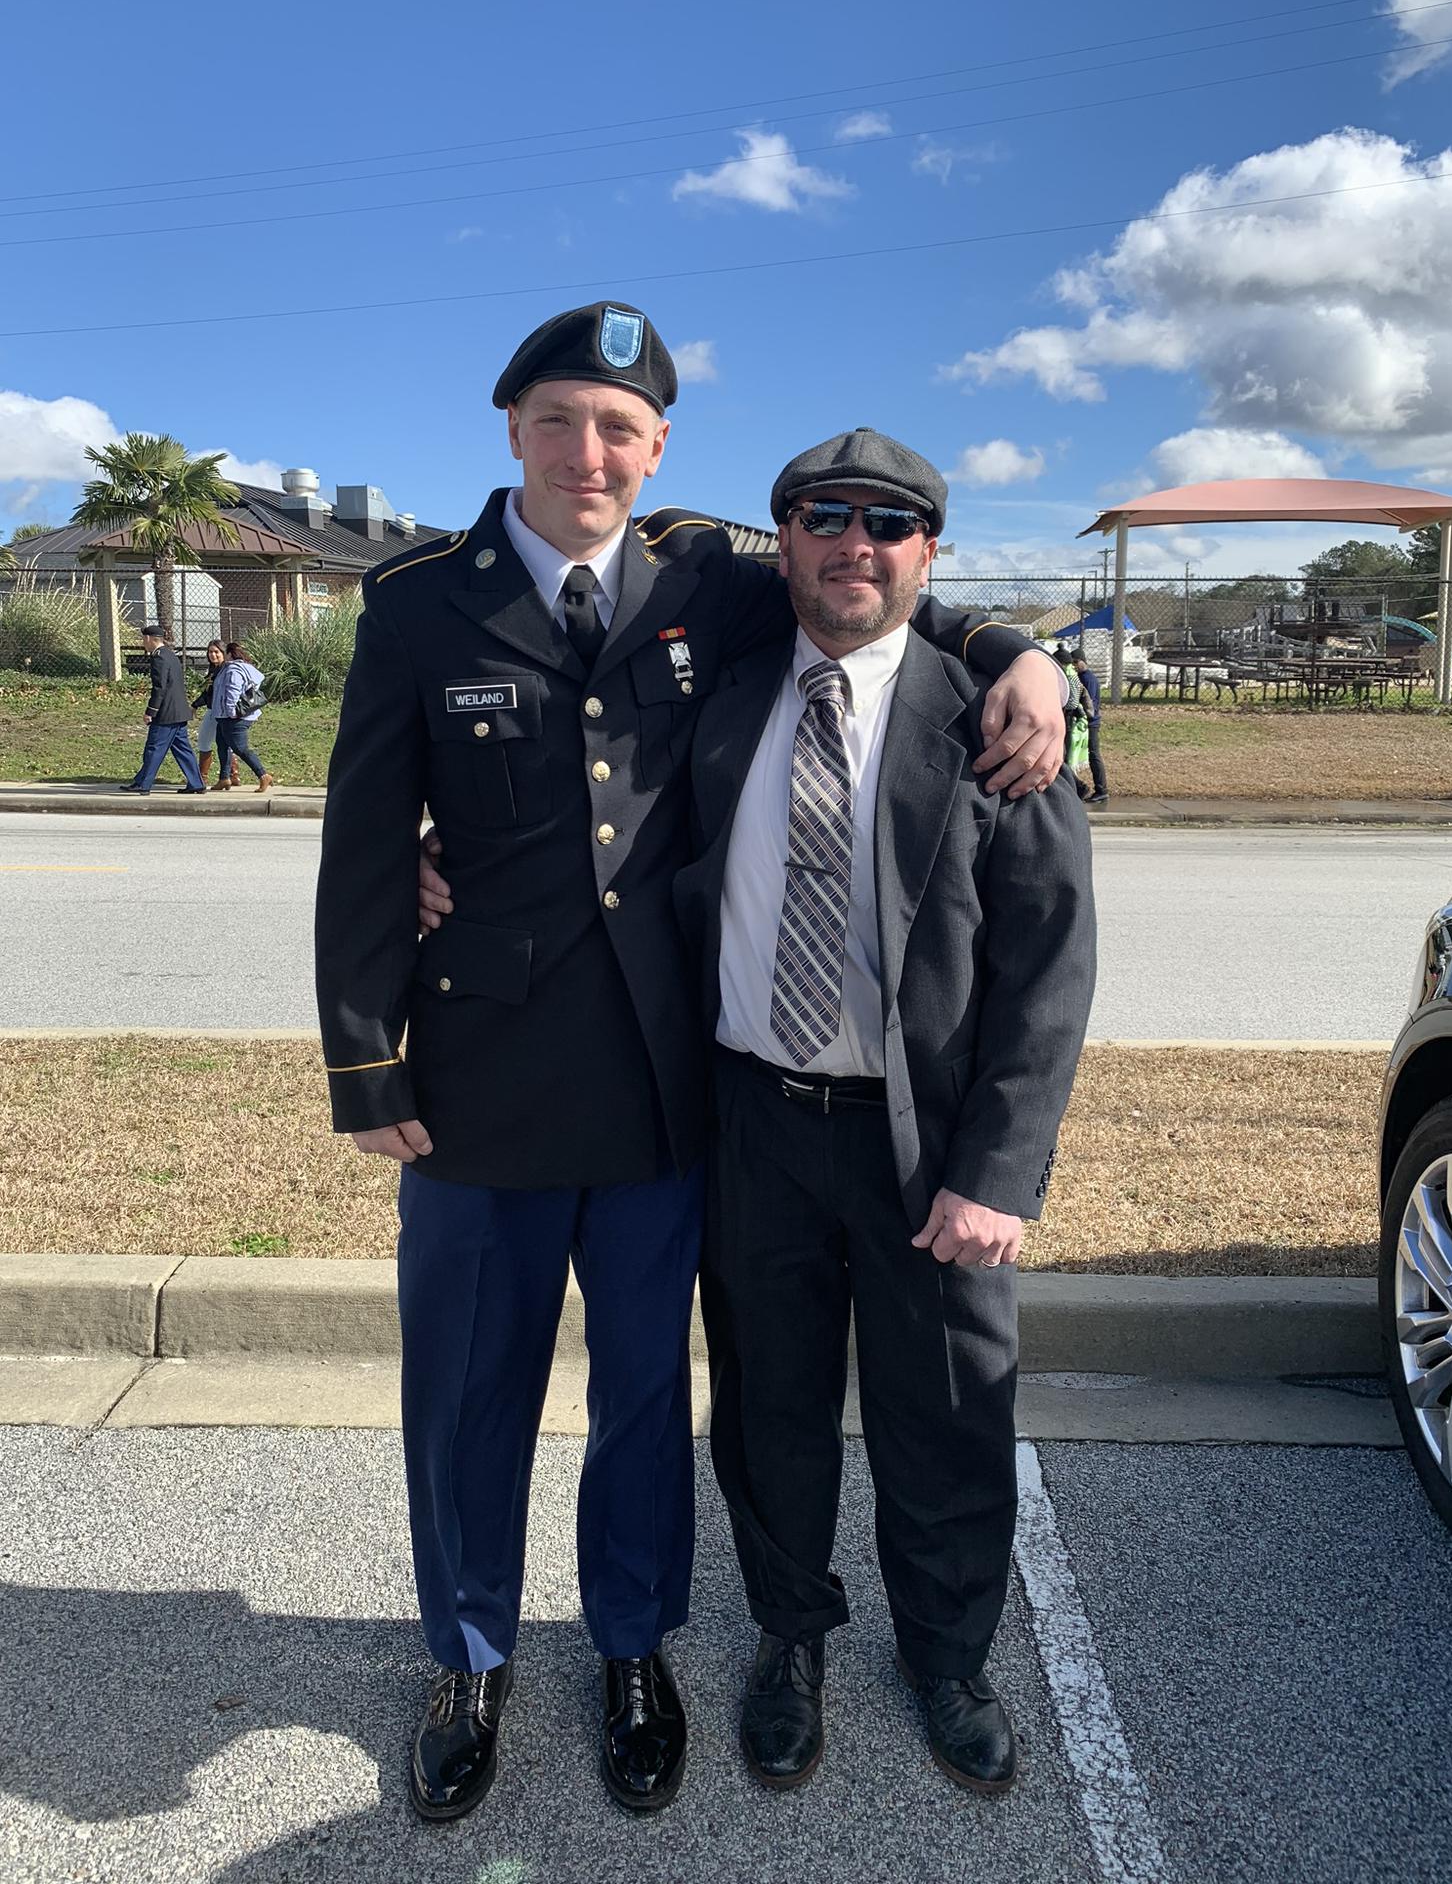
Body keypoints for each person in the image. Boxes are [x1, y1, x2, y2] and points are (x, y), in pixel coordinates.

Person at [315, 300, 1070, 1825]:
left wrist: (1027, 650)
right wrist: (365, 1059)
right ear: (510, 427)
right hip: (478, 1083)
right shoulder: (413, 605)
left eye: (620, 428)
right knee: (469, 1398)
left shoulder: (710, 582)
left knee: (647, 1400)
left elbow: (886, 597)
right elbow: (358, 841)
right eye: (558, 420)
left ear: (658, 449)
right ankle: (466, 1658)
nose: (588, 452)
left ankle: (634, 1650)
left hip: (665, 1093)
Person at [674, 432, 1096, 1797]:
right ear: (783, 537)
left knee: (949, 1413)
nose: (857, 543)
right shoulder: (721, 697)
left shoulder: (996, 716)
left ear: (930, 552)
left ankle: (950, 1656)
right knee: (769, 1408)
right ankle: (789, 1637)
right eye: (825, 517)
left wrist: (1001, 1176)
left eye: (892, 524)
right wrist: (440, 845)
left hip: (931, 1149)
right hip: (754, 1125)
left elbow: (1048, 968)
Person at [117, 625, 207, 796]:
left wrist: (150, 711)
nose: (143, 642)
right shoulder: (170, 655)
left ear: (149, 639)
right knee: (183, 749)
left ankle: (143, 784)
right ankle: (196, 783)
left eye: (144, 639)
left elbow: (160, 688)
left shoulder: (158, 658)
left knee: (154, 748)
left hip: (166, 714)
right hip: (179, 712)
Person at [211, 641, 273, 793]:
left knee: (240, 748)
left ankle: (263, 775)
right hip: (224, 716)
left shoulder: (233, 670)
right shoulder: (241, 668)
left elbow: (233, 691)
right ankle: (224, 778)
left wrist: (231, 712)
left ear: (229, 654)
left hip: (233, 717)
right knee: (222, 745)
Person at [192, 640, 239, 788]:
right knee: (224, 743)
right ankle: (232, 775)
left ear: (224, 653)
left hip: (219, 711)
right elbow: (208, 694)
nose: (213, 655)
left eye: (216, 652)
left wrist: (195, 704)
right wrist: (195, 704)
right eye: (210, 652)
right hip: (216, 710)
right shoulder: (215, 670)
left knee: (205, 741)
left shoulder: (225, 670)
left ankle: (204, 777)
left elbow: (210, 694)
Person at [1071, 647, 1109, 804]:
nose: (1074, 666)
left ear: (1082, 661)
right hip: (1087, 722)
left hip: (1091, 723)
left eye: (1075, 662)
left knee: (1094, 755)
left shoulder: (1088, 679)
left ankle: (1102, 790)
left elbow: (1090, 704)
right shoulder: (1082, 677)